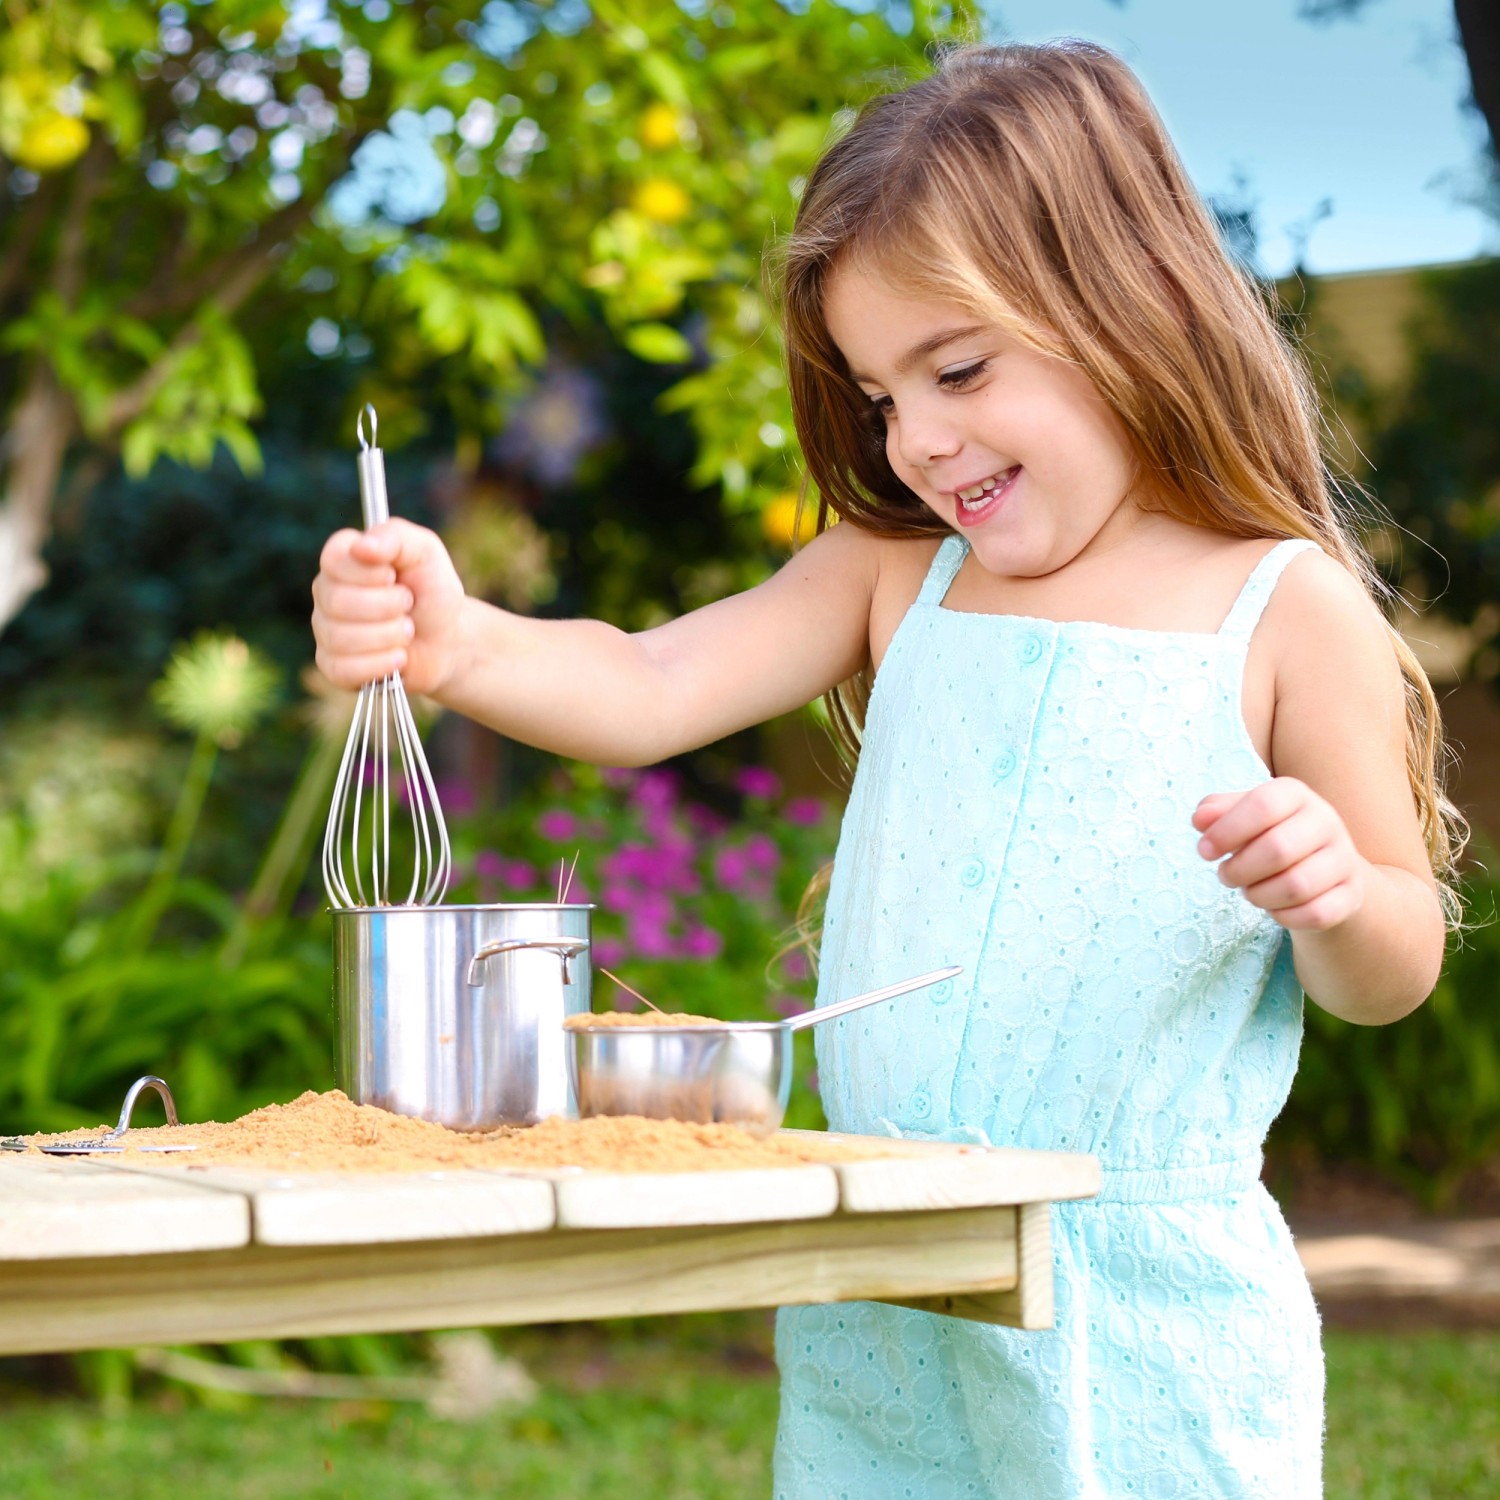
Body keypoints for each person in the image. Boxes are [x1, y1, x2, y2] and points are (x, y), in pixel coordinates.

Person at [311, 40, 1461, 1500]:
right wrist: (457, 641)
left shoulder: (1282, 609)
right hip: (883, 1275)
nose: (915, 440)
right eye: (878, 397)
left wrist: (1337, 892)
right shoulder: (892, 577)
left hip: (1144, 1305)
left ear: (1128, 300)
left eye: (958, 368)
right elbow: (653, 683)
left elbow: (1396, 962)